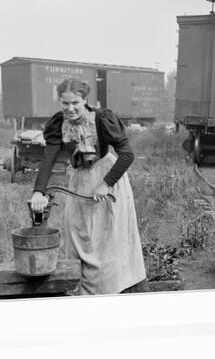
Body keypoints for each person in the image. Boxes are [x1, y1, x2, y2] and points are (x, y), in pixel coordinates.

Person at [30, 78, 147, 295]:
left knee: (107, 240)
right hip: (79, 182)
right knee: (78, 234)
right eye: (65, 103)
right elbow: (48, 159)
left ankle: (112, 290)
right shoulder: (59, 123)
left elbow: (128, 154)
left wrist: (106, 184)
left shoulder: (102, 119)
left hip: (107, 177)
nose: (70, 108)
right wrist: (38, 190)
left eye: (75, 102)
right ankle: (83, 293)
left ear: (85, 99)